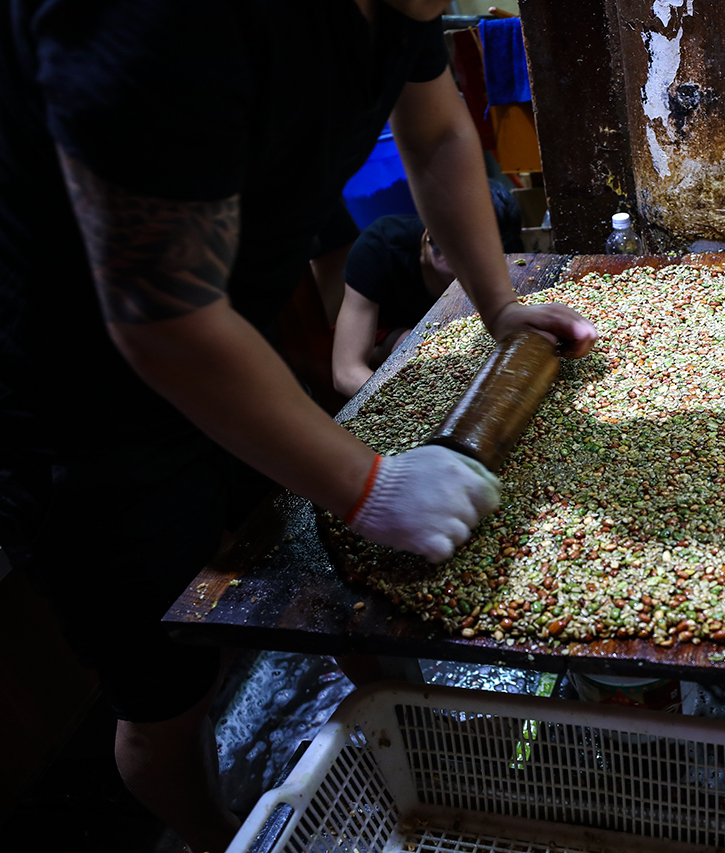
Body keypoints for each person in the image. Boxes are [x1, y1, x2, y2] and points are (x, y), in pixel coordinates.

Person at [0, 2, 596, 852]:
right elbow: (162, 317)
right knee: (167, 692)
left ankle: (413, 738)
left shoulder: (399, 7)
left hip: (227, 340)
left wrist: (498, 305)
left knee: (332, 581)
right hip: (78, 403)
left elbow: (437, 136)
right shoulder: (158, 19)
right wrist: (371, 485)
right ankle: (219, 837)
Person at [332, 179, 523, 398]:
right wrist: (412, 403)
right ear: (431, 235)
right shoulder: (378, 248)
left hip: (453, 349)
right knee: (408, 345)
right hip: (388, 341)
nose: (470, 277)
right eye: (461, 264)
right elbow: (346, 372)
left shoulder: (505, 247)